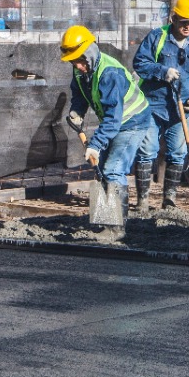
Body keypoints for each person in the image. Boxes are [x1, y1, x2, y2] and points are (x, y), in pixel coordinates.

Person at [62, 25, 156, 235]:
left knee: (113, 169)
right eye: (73, 61)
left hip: (133, 121)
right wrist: (77, 111)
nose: (77, 66)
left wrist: (95, 145)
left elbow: (114, 119)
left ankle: (116, 228)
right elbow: (79, 92)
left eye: (79, 60)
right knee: (103, 170)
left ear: (89, 53)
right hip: (114, 121)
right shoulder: (81, 67)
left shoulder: (109, 73)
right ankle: (107, 219)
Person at [131, 0, 189, 212]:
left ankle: (169, 200)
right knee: (147, 150)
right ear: (174, 18)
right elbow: (140, 63)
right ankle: (143, 201)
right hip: (152, 105)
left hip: (181, 109)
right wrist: (162, 71)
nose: (187, 27)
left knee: (177, 153)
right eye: (183, 21)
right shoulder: (157, 37)